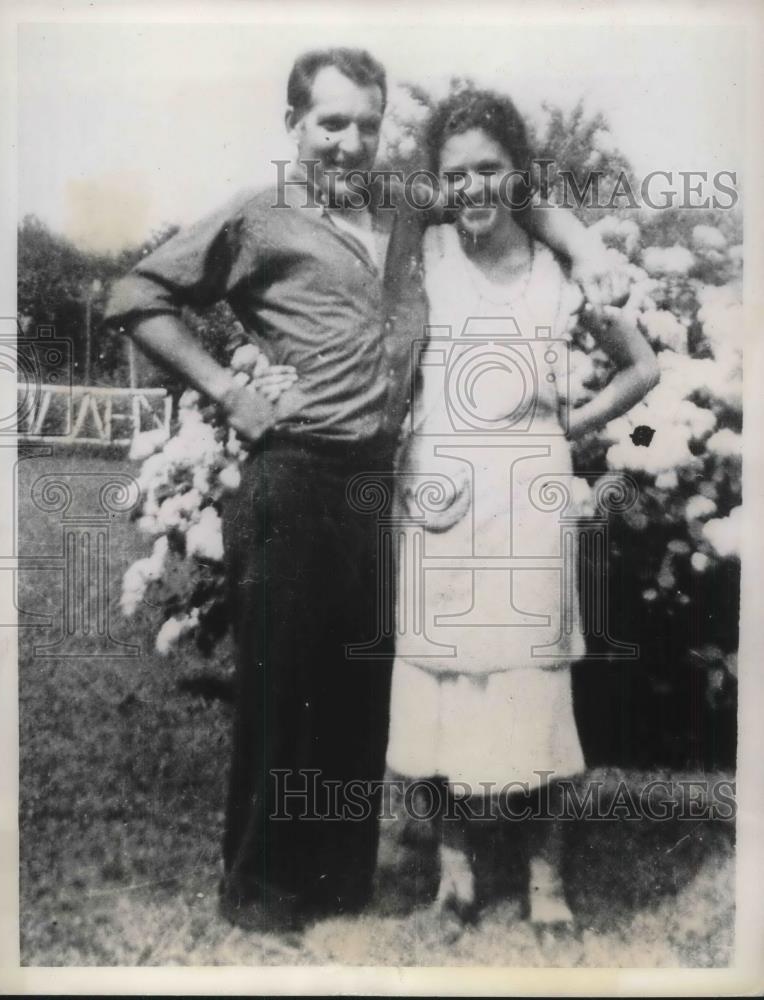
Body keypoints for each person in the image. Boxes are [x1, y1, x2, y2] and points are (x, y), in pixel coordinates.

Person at [104, 47, 629, 933]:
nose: (350, 142)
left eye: (367, 124)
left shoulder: (401, 205)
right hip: (295, 475)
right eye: (331, 122)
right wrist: (230, 390)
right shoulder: (261, 216)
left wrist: (582, 243)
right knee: (282, 693)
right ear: (295, 126)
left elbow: (501, 190)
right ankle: (263, 893)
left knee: (354, 698)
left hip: (382, 483)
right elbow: (137, 292)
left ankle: (339, 883)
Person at [383, 89, 660, 940]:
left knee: (535, 688)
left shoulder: (558, 271)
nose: (472, 190)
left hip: (530, 497)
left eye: (491, 171)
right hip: (437, 489)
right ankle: (454, 881)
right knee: (443, 685)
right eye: (455, 174)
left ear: (521, 176)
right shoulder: (422, 250)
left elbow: (641, 369)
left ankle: (547, 882)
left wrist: (560, 428)